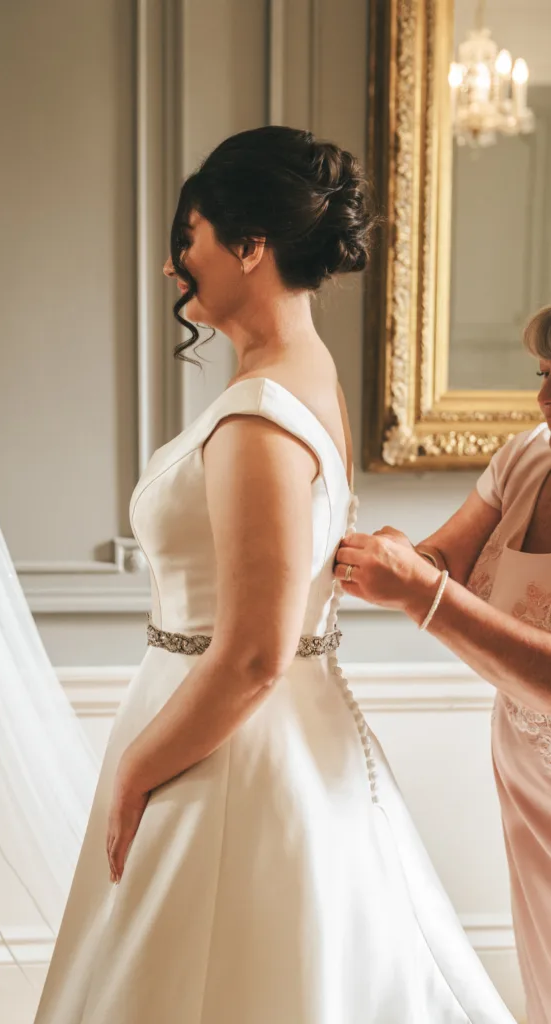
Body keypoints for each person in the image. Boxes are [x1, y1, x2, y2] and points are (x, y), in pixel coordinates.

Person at [33, 127, 514, 1023]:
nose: (180, 263)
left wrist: (137, 766)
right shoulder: (303, 376)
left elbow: (254, 653)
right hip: (260, 731)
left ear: (249, 245)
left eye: (193, 235)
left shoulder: (259, 416)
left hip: (231, 750)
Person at [335, 304, 551, 1024]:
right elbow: (445, 557)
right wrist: (409, 558)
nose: (544, 400)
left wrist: (420, 592)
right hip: (529, 768)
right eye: (545, 375)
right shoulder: (527, 458)